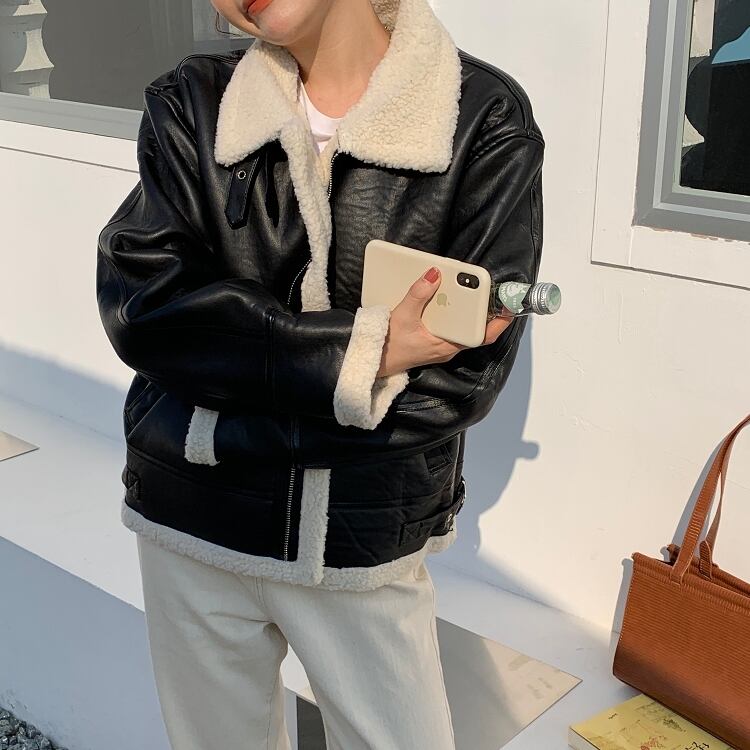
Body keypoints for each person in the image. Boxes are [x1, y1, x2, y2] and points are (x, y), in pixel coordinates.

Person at [95, 0, 545, 747]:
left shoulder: (479, 118)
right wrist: (365, 352)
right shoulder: (194, 102)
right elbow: (144, 310)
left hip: (361, 537)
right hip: (190, 527)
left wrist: (219, 419)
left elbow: (460, 379)